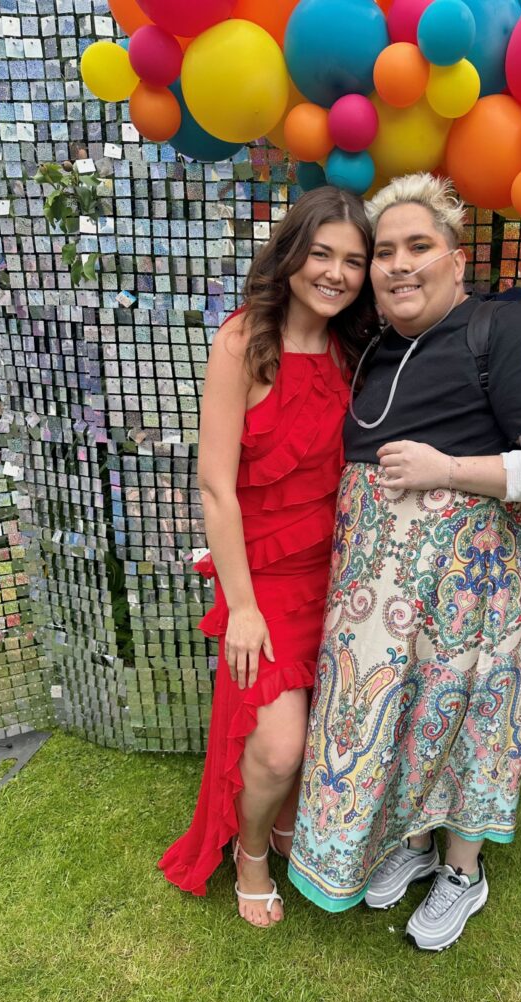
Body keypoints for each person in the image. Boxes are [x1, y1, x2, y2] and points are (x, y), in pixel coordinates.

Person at [287, 173, 521, 950]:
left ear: (456, 260)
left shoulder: (502, 328)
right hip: (378, 591)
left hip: (474, 589)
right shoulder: (374, 349)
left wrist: (450, 470)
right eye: (384, 252)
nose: (398, 265)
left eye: (418, 247)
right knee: (399, 720)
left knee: (466, 722)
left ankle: (463, 871)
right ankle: (418, 845)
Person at [158, 187, 378, 928]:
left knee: (318, 727)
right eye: (321, 253)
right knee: (281, 742)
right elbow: (216, 488)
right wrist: (243, 605)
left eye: (353, 260)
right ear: (290, 253)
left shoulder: (356, 349)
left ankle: (284, 825)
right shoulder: (243, 341)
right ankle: (252, 852)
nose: (336, 273)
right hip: (267, 580)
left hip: (340, 574)